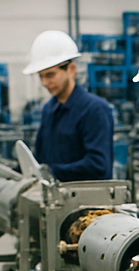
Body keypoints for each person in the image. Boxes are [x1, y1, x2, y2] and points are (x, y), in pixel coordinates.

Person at [24, 30, 114, 181]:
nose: (44, 83)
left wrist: (52, 172)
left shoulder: (94, 110)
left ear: (71, 70)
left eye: (50, 75)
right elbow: (41, 157)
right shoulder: (48, 110)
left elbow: (98, 165)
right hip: (54, 193)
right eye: (41, 76)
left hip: (85, 195)